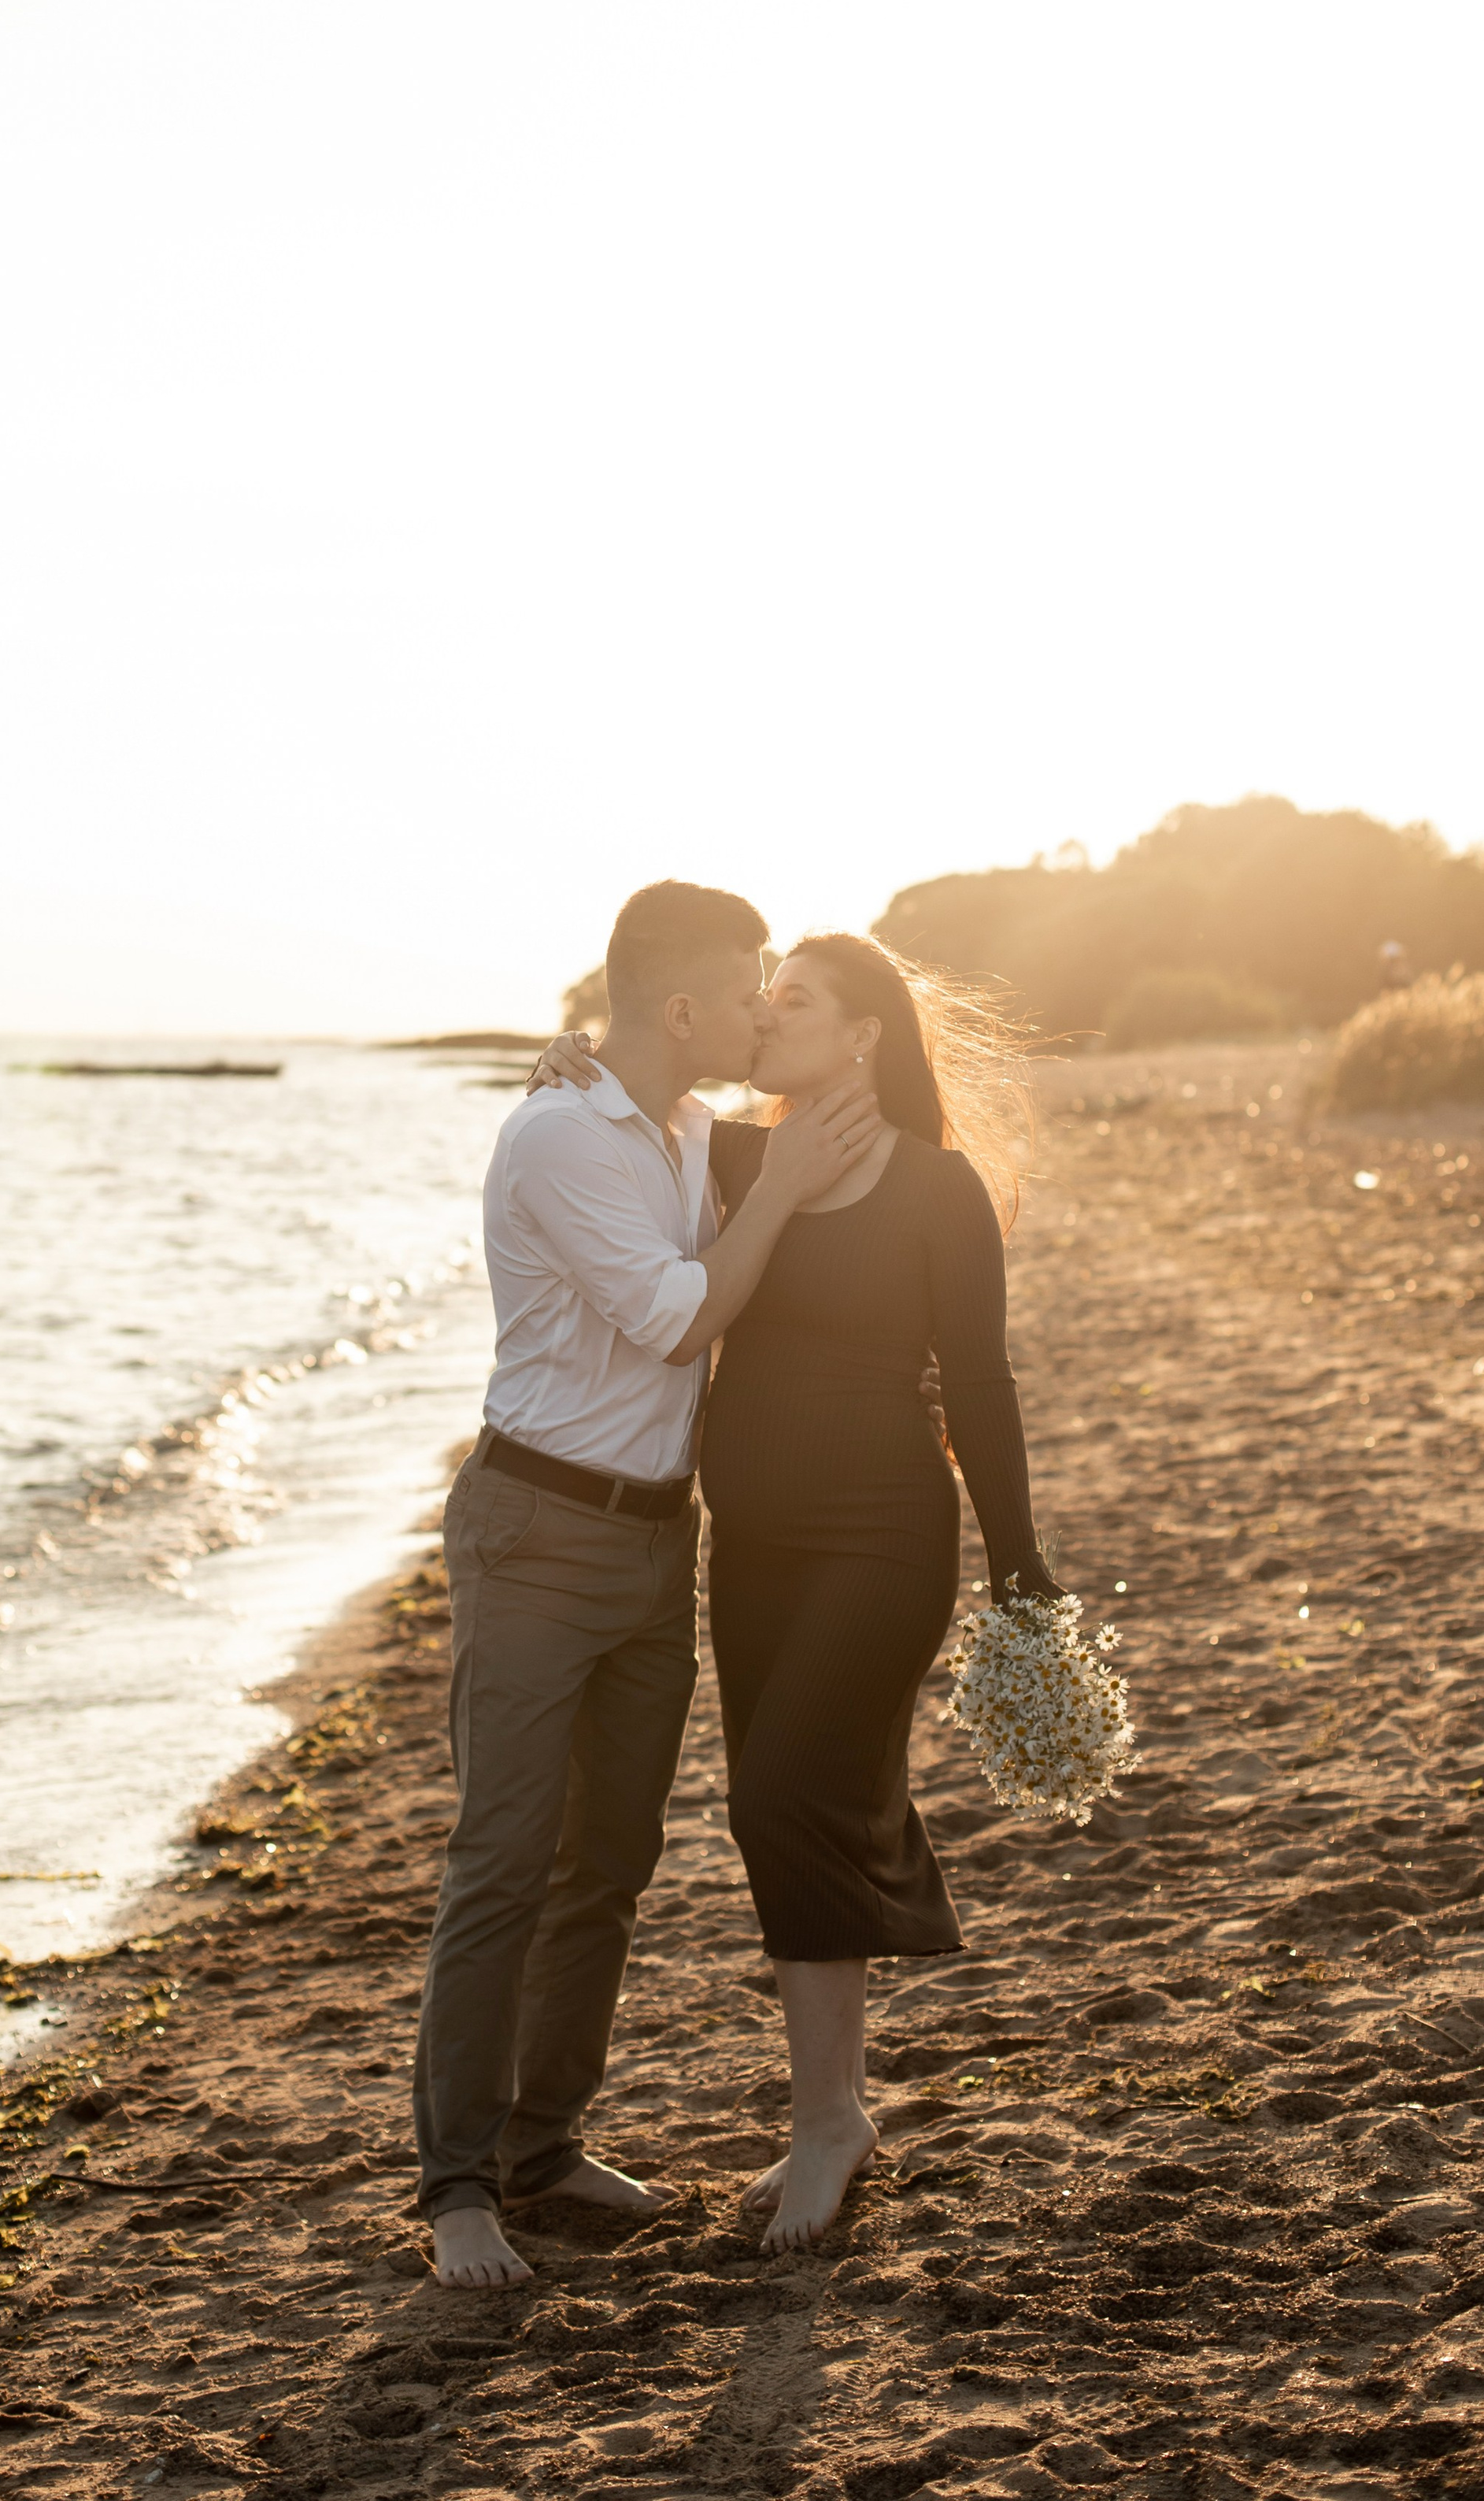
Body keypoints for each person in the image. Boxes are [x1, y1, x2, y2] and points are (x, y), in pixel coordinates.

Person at [529, 929, 1060, 2253]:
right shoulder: (735, 1160)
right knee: (779, 1809)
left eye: (797, 998)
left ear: (866, 1033)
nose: (767, 1012)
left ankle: (830, 2120)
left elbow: (981, 1388)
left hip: (883, 1538)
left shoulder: (943, 1192)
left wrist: (1019, 1561)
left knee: (783, 1792)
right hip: (749, 1546)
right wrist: (570, 1064)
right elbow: (630, 1127)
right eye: (765, 993)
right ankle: (831, 2113)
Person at [414, 882, 884, 2290]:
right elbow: (680, 1322)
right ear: (682, 1007)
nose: (762, 1008)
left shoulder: (687, 1128)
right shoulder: (559, 1135)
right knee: (501, 1863)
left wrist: (815, 1124)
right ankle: (457, 2193)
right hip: (538, 1530)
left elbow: (851, 1123)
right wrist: (789, 1184)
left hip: (653, 1543)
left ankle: (546, 2147)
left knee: (607, 1867)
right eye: (749, 986)